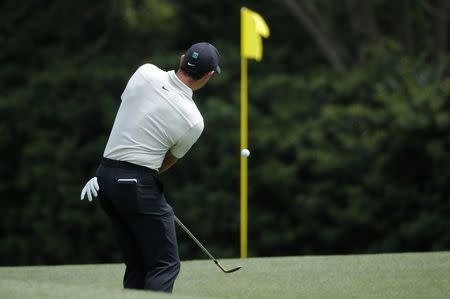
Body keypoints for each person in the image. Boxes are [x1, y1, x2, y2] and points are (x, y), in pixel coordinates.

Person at [80, 42, 221, 293]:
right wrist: (134, 180)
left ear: (181, 59)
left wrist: (112, 174)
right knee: (164, 265)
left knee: (137, 265)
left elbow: (130, 116)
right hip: (137, 184)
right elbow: (166, 160)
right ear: (209, 75)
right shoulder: (194, 120)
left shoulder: (144, 72)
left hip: (103, 178)